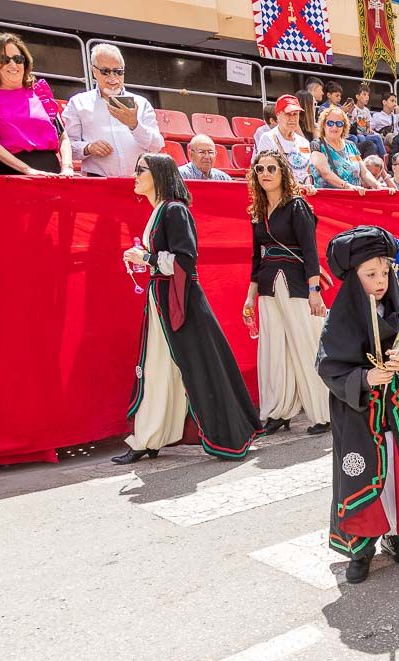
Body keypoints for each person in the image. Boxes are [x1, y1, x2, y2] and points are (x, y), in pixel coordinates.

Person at [115, 153, 261, 463]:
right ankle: (149, 437)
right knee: (158, 368)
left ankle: (219, 434)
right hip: (163, 299)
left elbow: (185, 259)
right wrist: (148, 259)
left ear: (158, 173)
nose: (136, 175)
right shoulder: (161, 211)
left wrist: (147, 259)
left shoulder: (174, 211)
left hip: (179, 301)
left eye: (141, 170)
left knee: (198, 365)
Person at [317, 226, 399, 584]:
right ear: (354, 278)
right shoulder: (341, 318)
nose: (381, 280)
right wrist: (365, 379)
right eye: (370, 274)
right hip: (359, 419)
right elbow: (328, 367)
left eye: (385, 272)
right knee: (362, 476)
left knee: (395, 476)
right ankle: (361, 546)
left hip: (395, 417)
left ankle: (395, 534)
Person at [244, 149, 331, 437]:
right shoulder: (258, 212)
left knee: (305, 345)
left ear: (283, 172)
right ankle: (278, 412)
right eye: (260, 169)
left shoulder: (297, 206)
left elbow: (310, 251)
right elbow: (257, 259)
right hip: (268, 285)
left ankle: (323, 412)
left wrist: (314, 290)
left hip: (295, 284)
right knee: (273, 350)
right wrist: (249, 297)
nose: (265, 173)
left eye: (271, 168)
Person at [0, 32, 73, 176]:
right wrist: (27, 170)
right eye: (4, 59)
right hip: (13, 173)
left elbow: (63, 137)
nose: (13, 64)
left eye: (18, 59)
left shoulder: (40, 92)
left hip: (53, 173)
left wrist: (67, 167)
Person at [63, 44, 163, 178]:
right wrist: (88, 148)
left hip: (139, 181)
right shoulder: (78, 103)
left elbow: (157, 145)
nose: (112, 78)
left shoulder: (141, 103)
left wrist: (134, 125)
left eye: (118, 71)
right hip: (99, 182)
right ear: (94, 72)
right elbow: (67, 146)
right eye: (105, 71)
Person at [310, 106, 388, 193]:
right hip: (329, 200)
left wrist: (378, 185)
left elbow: (364, 172)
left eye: (339, 123)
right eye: (330, 123)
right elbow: (325, 173)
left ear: (344, 126)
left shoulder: (351, 145)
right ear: (323, 125)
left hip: (353, 198)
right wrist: (347, 186)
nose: (334, 127)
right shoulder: (317, 145)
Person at [256, 94, 316, 191]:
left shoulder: (304, 142)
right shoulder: (268, 138)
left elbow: (307, 171)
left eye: (295, 114)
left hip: (302, 195)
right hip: (280, 195)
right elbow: (265, 174)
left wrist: (309, 186)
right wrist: (296, 186)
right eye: (288, 114)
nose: (292, 118)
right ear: (278, 115)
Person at [347, 83, 385, 159]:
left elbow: (368, 126)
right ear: (357, 96)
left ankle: (384, 158)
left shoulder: (367, 110)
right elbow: (350, 124)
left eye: (368, 95)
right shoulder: (354, 108)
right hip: (357, 133)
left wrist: (369, 129)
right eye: (364, 95)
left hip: (364, 133)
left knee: (377, 137)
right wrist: (350, 113)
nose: (367, 97)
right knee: (362, 138)